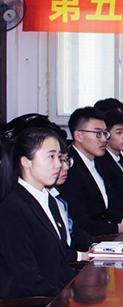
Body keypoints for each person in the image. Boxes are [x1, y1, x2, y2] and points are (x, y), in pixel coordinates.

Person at [0, 127, 76, 298]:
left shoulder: (49, 200)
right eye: (51, 157)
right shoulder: (12, 208)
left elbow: (59, 262)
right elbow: (27, 278)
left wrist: (79, 288)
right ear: (26, 162)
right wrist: (65, 297)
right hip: (33, 299)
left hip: (55, 292)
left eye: (59, 157)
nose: (59, 164)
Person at [58, 107, 123, 237]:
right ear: (78, 135)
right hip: (91, 239)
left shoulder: (99, 162)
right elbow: (79, 222)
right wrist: (118, 227)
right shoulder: (68, 168)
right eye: (98, 134)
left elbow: (107, 206)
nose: (104, 139)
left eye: (105, 133)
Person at [48, 130, 94, 262]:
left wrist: (95, 246)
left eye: (66, 160)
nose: (64, 167)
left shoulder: (58, 195)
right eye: (58, 160)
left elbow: (74, 230)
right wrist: (81, 256)